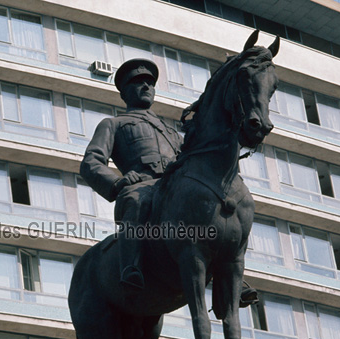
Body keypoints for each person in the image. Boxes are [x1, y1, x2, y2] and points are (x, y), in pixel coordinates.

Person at [80, 58, 258, 305]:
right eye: (137, 82)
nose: (146, 87)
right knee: (135, 201)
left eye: (149, 83)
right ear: (124, 92)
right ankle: (131, 267)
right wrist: (118, 183)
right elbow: (91, 162)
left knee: (218, 209)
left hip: (174, 187)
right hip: (143, 185)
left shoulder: (171, 130)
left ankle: (226, 276)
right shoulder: (114, 124)